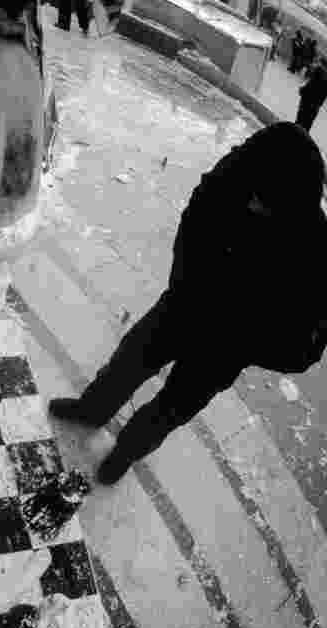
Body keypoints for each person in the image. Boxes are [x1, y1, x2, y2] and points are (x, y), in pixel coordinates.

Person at [48, 122, 327, 485]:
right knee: (129, 360)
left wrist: (244, 342)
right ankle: (91, 410)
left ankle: (125, 452)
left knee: (170, 409)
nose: (252, 202)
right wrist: (184, 283)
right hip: (185, 304)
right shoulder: (240, 170)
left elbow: (304, 349)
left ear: (290, 204)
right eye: (251, 193)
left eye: (264, 202)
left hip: (226, 348)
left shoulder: (317, 251)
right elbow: (196, 215)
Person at [297, 56, 327, 131]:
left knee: (299, 122)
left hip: (307, 101)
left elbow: (310, 85)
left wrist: (301, 90)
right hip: (315, 106)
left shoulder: (319, 70)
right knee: (307, 125)